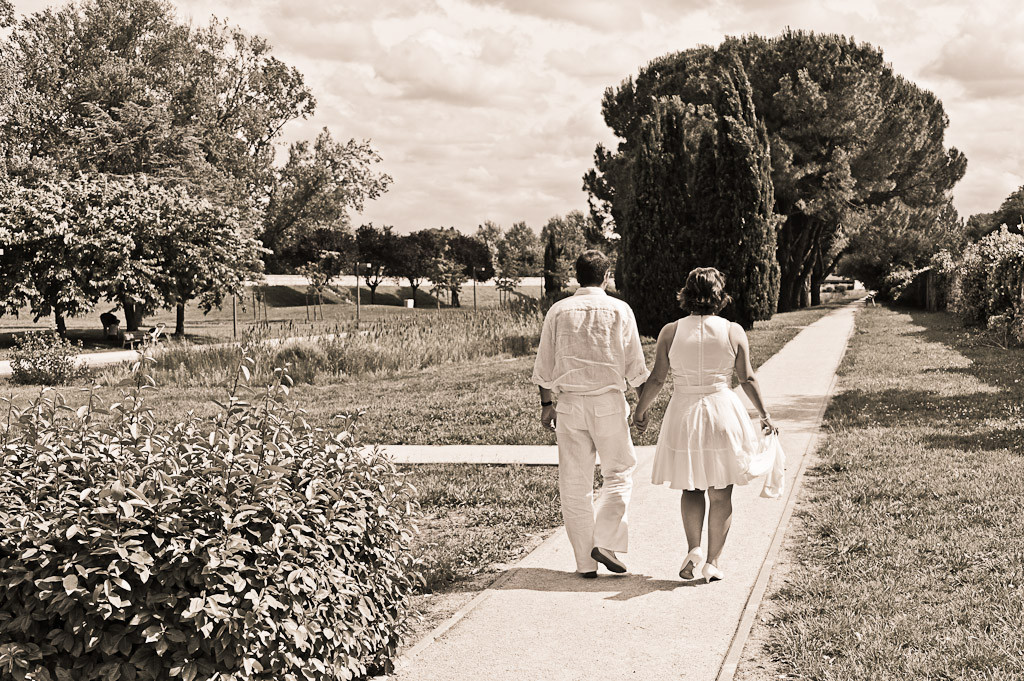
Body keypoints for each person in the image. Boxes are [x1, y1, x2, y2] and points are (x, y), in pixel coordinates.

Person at [632, 267, 777, 583]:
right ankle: (712, 563)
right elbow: (747, 378)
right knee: (721, 493)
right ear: (720, 296)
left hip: (684, 413)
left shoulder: (670, 331)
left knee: (691, 485)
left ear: (686, 294)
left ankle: (693, 548)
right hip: (722, 412)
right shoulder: (733, 331)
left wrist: (640, 411)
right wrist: (764, 414)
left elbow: (657, 379)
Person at [532, 250, 650, 578]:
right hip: (608, 403)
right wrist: (642, 407)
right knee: (620, 472)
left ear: (576, 275)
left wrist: (546, 405)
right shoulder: (620, 309)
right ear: (607, 275)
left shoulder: (558, 311)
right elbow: (635, 366)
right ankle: (606, 542)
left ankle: (585, 563)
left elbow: (544, 366)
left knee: (574, 483)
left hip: (569, 405)